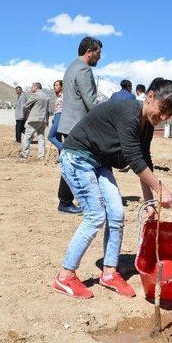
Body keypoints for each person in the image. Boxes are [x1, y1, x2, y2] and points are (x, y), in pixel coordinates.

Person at [52, 78, 172, 299]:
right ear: (150, 97)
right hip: (77, 158)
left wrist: (149, 201)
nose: (162, 118)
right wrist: (161, 190)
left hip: (99, 162)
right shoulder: (129, 112)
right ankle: (64, 276)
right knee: (95, 216)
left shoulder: (146, 126)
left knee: (117, 212)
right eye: (162, 110)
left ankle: (109, 272)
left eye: (168, 115)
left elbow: (144, 160)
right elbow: (134, 159)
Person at [56, 36, 103, 214]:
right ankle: (68, 201)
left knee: (71, 161)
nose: (99, 57)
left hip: (69, 124)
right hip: (78, 125)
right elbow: (90, 101)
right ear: (89, 52)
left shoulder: (71, 66)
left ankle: (66, 200)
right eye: (98, 53)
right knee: (84, 161)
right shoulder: (83, 70)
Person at [20, 82, 50, 159]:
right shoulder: (46, 96)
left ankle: (24, 154)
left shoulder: (35, 95)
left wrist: (25, 115)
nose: (31, 89)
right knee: (41, 137)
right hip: (43, 120)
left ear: (36, 88)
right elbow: (47, 110)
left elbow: (26, 105)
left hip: (34, 119)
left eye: (32, 87)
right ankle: (41, 156)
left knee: (27, 136)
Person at [47, 79, 64, 153]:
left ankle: (65, 150)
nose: (55, 87)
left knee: (51, 136)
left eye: (57, 85)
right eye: (54, 85)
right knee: (58, 138)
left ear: (62, 87)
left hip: (60, 116)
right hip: (56, 116)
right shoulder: (57, 97)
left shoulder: (63, 96)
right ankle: (61, 157)